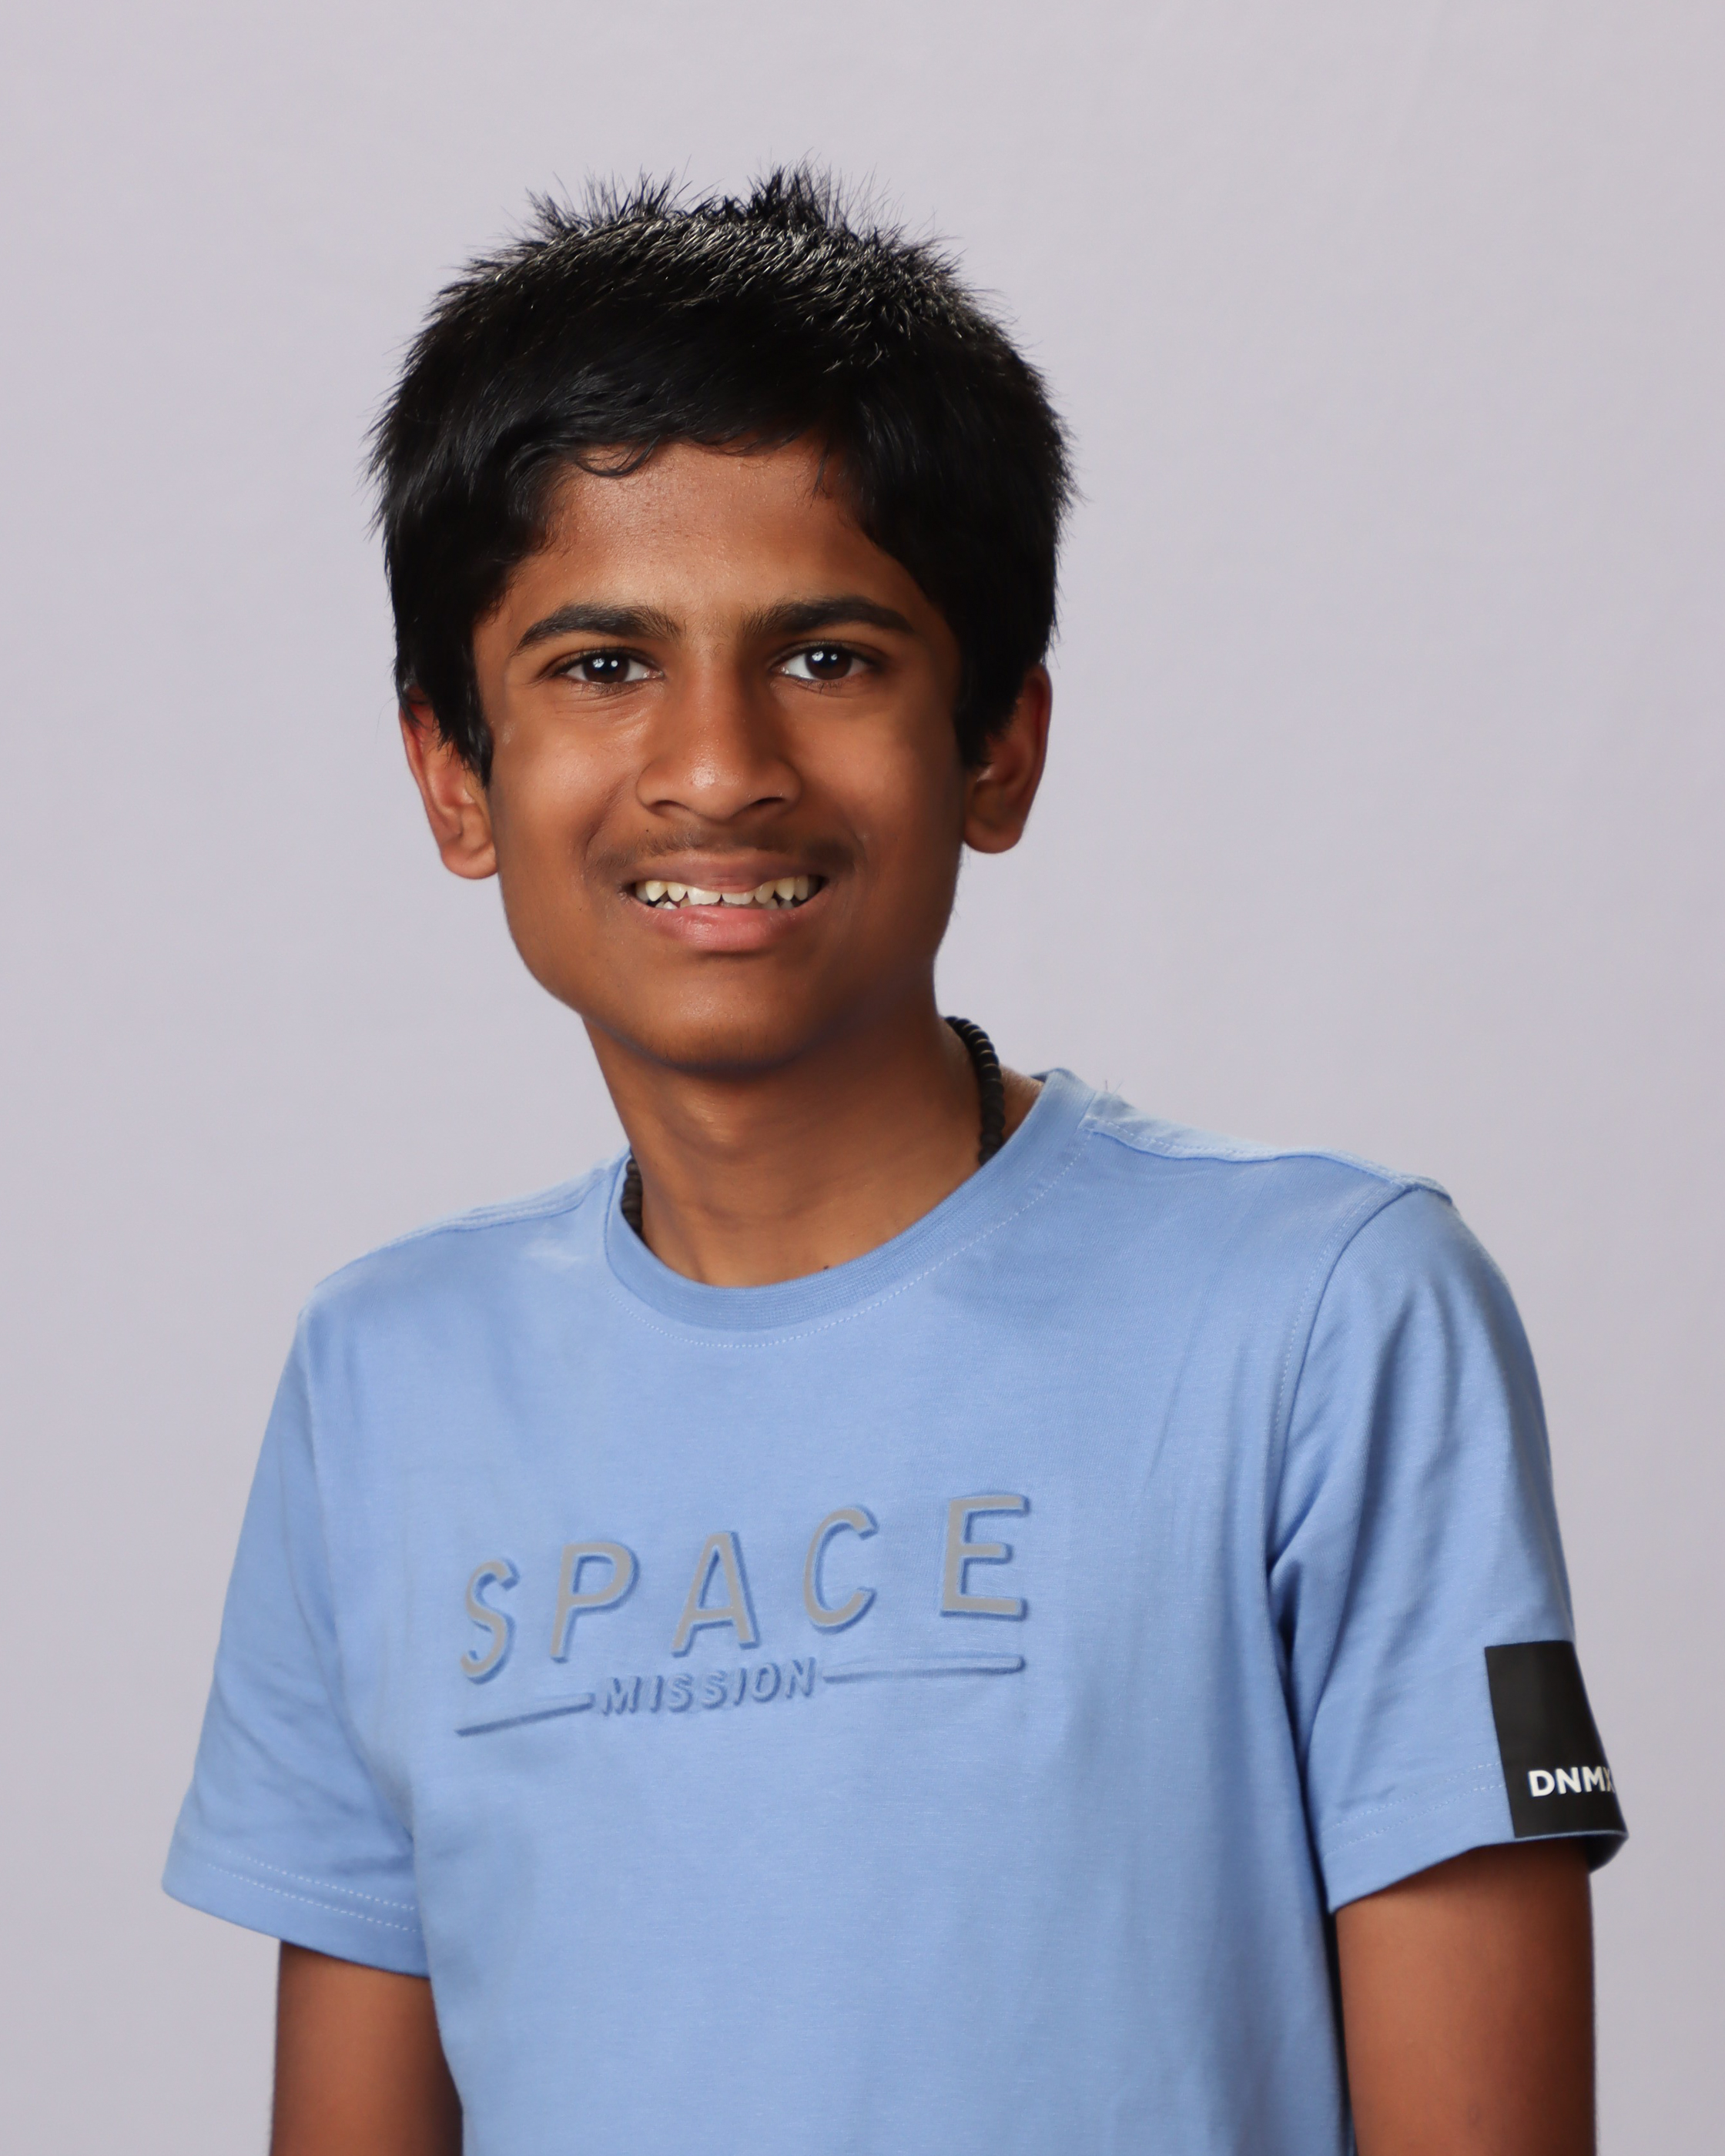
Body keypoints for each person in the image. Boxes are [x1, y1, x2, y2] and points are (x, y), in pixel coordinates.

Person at [164, 171, 1625, 2156]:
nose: (717, 763)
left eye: (829, 656)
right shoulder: (382, 1383)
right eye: (600, 665)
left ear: (999, 744)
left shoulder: (1330, 1313)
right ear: (453, 772)